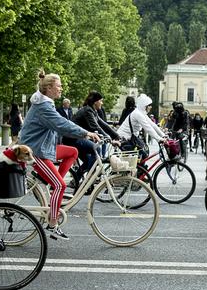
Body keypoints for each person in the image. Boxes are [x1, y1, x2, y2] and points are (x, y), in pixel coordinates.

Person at [19, 72, 100, 240]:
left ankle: (52, 186)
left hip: (45, 148)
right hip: (35, 152)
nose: (61, 88)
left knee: (73, 152)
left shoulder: (45, 103)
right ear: (49, 88)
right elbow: (61, 124)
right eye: (59, 85)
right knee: (60, 185)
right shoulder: (43, 107)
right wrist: (86, 133)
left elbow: (62, 123)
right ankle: (52, 224)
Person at [116, 93, 165, 158]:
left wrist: (163, 135)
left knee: (141, 155)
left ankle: (139, 168)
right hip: (124, 138)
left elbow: (152, 125)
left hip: (130, 138)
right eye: (149, 105)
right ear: (144, 106)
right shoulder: (138, 114)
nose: (151, 107)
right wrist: (159, 139)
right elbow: (148, 128)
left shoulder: (141, 113)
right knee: (138, 157)